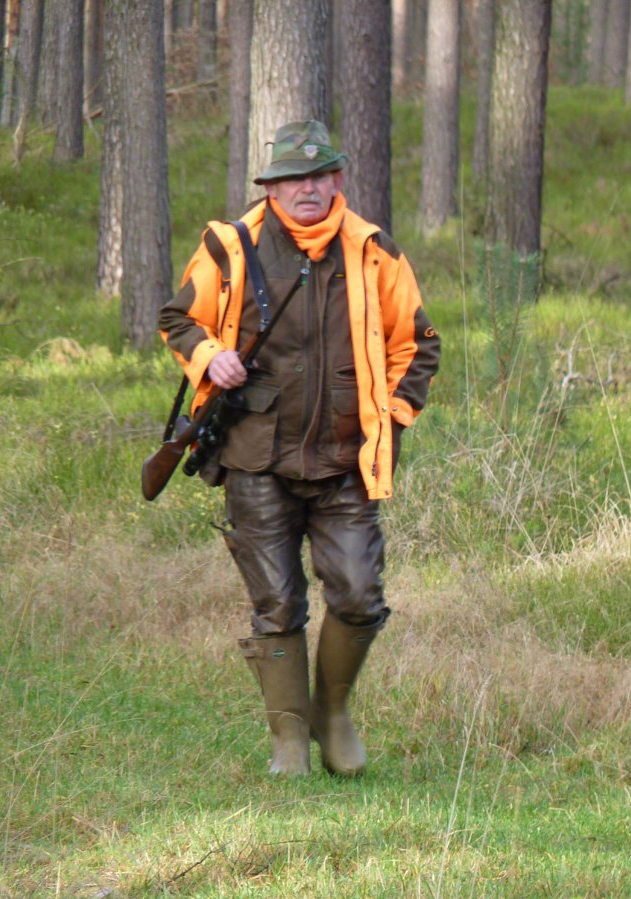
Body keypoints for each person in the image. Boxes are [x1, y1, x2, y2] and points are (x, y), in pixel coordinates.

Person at [158, 120, 440, 777]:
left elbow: (417, 344)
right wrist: (210, 355)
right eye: (293, 179)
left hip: (346, 460)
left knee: (359, 596)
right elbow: (179, 317)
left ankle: (331, 714)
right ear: (272, 187)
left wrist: (392, 420)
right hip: (254, 457)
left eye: (318, 176)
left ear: (337, 180)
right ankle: (289, 741)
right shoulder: (231, 246)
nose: (307, 188)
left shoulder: (375, 251)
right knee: (277, 603)